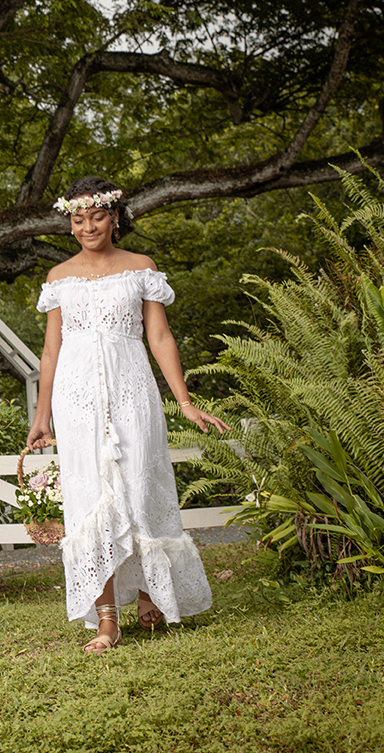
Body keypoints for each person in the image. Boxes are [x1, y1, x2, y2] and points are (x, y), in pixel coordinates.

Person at [26, 176, 231, 654]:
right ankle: (105, 620)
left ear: (115, 217)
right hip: (75, 400)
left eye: (97, 216)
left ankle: (151, 595)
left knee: (141, 486)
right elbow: (51, 350)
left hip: (133, 390)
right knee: (89, 499)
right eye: (79, 219)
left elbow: (159, 337)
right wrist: (41, 416)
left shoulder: (141, 268)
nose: (88, 226)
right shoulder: (59, 277)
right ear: (70, 224)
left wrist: (183, 401)